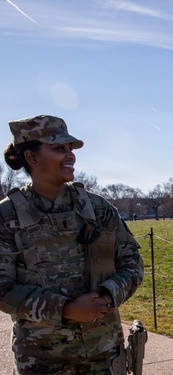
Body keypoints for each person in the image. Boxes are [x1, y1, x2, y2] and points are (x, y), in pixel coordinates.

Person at [0, 115, 144, 374]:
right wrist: (65, 309)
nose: (71, 156)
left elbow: (132, 263)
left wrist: (108, 295)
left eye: (70, 149)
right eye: (58, 149)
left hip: (104, 352)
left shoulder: (97, 208)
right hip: (42, 358)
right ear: (32, 158)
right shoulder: (7, 216)